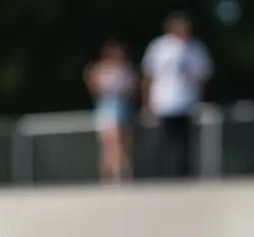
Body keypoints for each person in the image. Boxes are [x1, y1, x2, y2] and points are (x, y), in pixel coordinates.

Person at [142, 11, 213, 178]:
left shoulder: (196, 47)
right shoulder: (159, 47)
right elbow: (148, 75)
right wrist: (147, 102)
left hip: (188, 103)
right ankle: (166, 175)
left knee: (187, 142)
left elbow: (204, 75)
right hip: (164, 103)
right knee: (166, 141)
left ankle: (185, 175)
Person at [85, 41, 139, 183]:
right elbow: (94, 86)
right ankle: (110, 175)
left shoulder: (125, 71)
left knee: (124, 143)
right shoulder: (101, 70)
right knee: (110, 143)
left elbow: (132, 89)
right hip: (107, 107)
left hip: (123, 106)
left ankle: (123, 173)